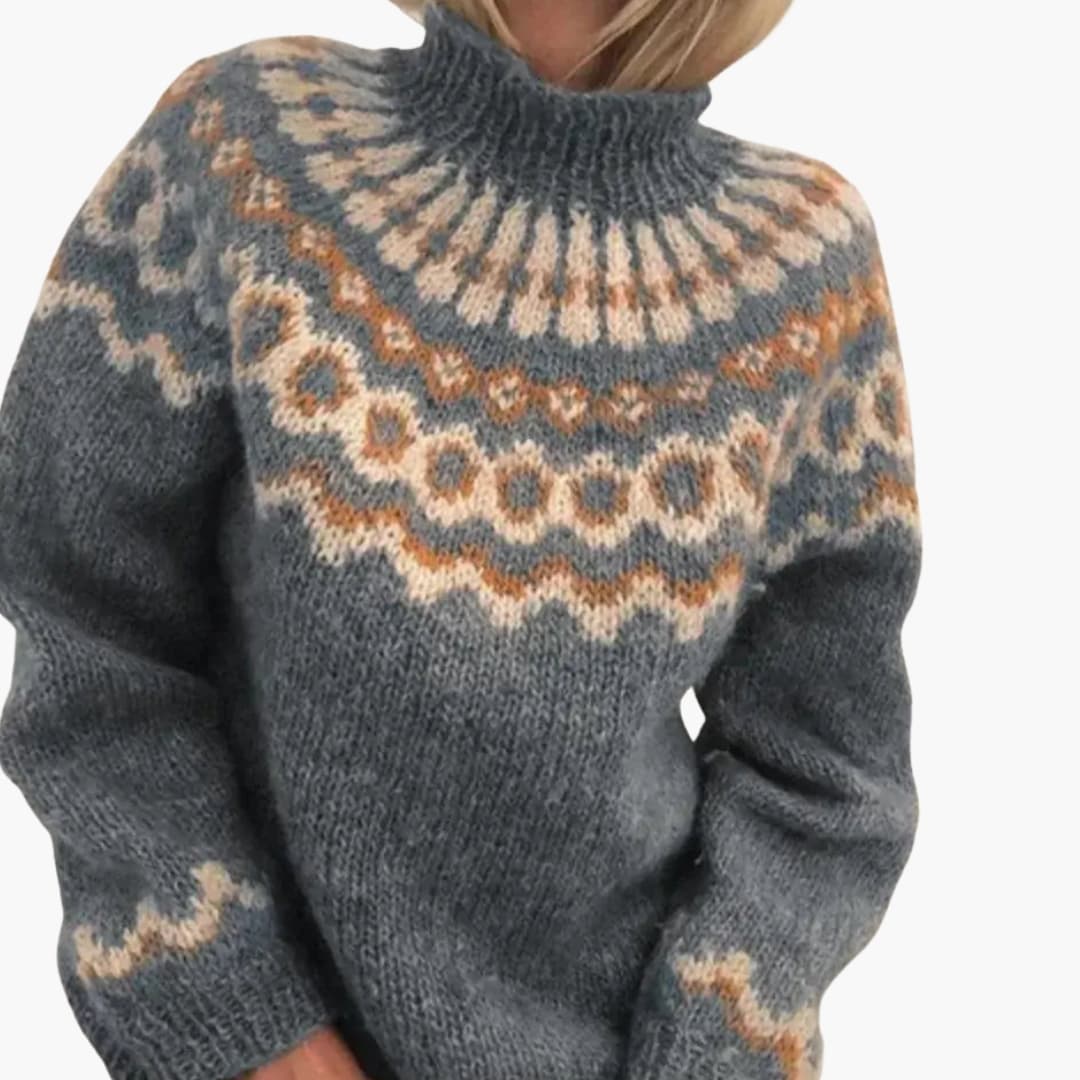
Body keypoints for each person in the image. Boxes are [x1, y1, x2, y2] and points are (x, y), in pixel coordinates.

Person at [0, 0, 922, 1077]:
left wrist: (708, 1057)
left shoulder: (800, 262)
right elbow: (89, 630)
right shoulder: (251, 149)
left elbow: (824, 775)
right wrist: (245, 1024)